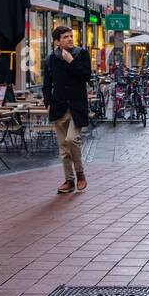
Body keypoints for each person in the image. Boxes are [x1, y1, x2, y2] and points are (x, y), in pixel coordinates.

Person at [43, 25, 90, 195]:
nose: (70, 39)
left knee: (72, 140)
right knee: (63, 147)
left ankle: (80, 173)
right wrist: (48, 103)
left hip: (77, 106)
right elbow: (47, 85)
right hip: (58, 107)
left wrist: (71, 61)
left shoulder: (81, 54)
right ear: (57, 42)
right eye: (65, 37)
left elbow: (86, 76)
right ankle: (69, 180)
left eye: (71, 36)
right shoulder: (50, 59)